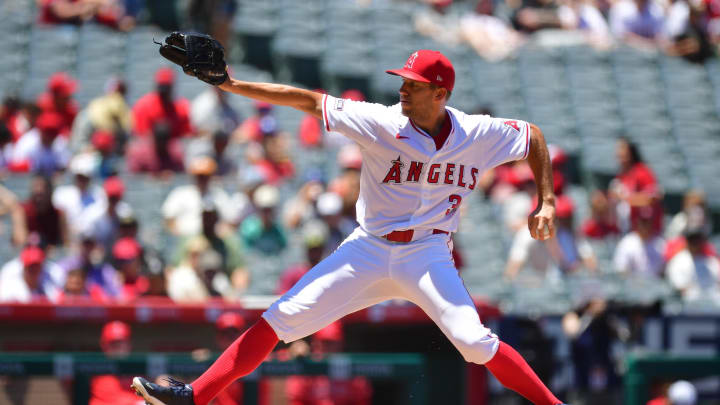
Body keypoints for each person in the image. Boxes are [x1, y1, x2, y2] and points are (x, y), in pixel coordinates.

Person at [132, 49, 567, 405]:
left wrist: (546, 199)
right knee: (282, 318)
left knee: (474, 343)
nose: (401, 89)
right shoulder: (380, 121)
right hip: (369, 248)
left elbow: (533, 138)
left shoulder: (477, 133)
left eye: (412, 84)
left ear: (439, 93)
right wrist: (231, 84)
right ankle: (195, 397)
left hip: (428, 253)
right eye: (402, 80)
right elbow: (306, 100)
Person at [161, 156, 233, 237]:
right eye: (199, 176)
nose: (202, 179)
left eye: (206, 176)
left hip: (214, 240)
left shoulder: (219, 195)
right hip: (186, 239)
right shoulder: (181, 193)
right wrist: (178, 234)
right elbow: (169, 220)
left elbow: (229, 222)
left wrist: (222, 231)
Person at [52, 153, 108, 241]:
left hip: (91, 241)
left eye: (85, 177)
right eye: (80, 177)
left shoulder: (99, 194)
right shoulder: (61, 194)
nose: (82, 181)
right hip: (67, 239)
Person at [90, 321, 144, 405]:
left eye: (121, 343)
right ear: (104, 345)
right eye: (113, 343)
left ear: (129, 344)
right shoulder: (98, 371)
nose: (118, 348)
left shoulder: (139, 371)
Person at [132, 68, 192, 139]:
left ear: (172, 88)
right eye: (162, 88)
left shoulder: (182, 108)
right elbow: (141, 135)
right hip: (151, 147)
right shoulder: (143, 106)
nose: (164, 93)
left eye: (167, 88)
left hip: (174, 147)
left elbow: (187, 135)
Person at [613, 207, 665, 278]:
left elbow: (663, 271)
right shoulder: (627, 242)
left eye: (648, 222)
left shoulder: (660, 243)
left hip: (655, 285)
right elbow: (621, 270)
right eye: (643, 222)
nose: (645, 226)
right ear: (637, 222)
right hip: (632, 286)